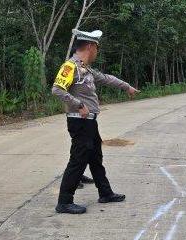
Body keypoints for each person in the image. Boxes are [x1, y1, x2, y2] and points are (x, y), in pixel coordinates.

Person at [52, 29, 139, 214]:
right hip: (79, 121)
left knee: (95, 158)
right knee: (78, 160)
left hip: (90, 122)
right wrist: (78, 104)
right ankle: (64, 202)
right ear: (90, 47)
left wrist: (127, 87)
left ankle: (105, 193)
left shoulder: (85, 69)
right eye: (97, 48)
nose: (97, 53)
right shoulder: (70, 67)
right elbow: (57, 90)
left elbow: (106, 79)